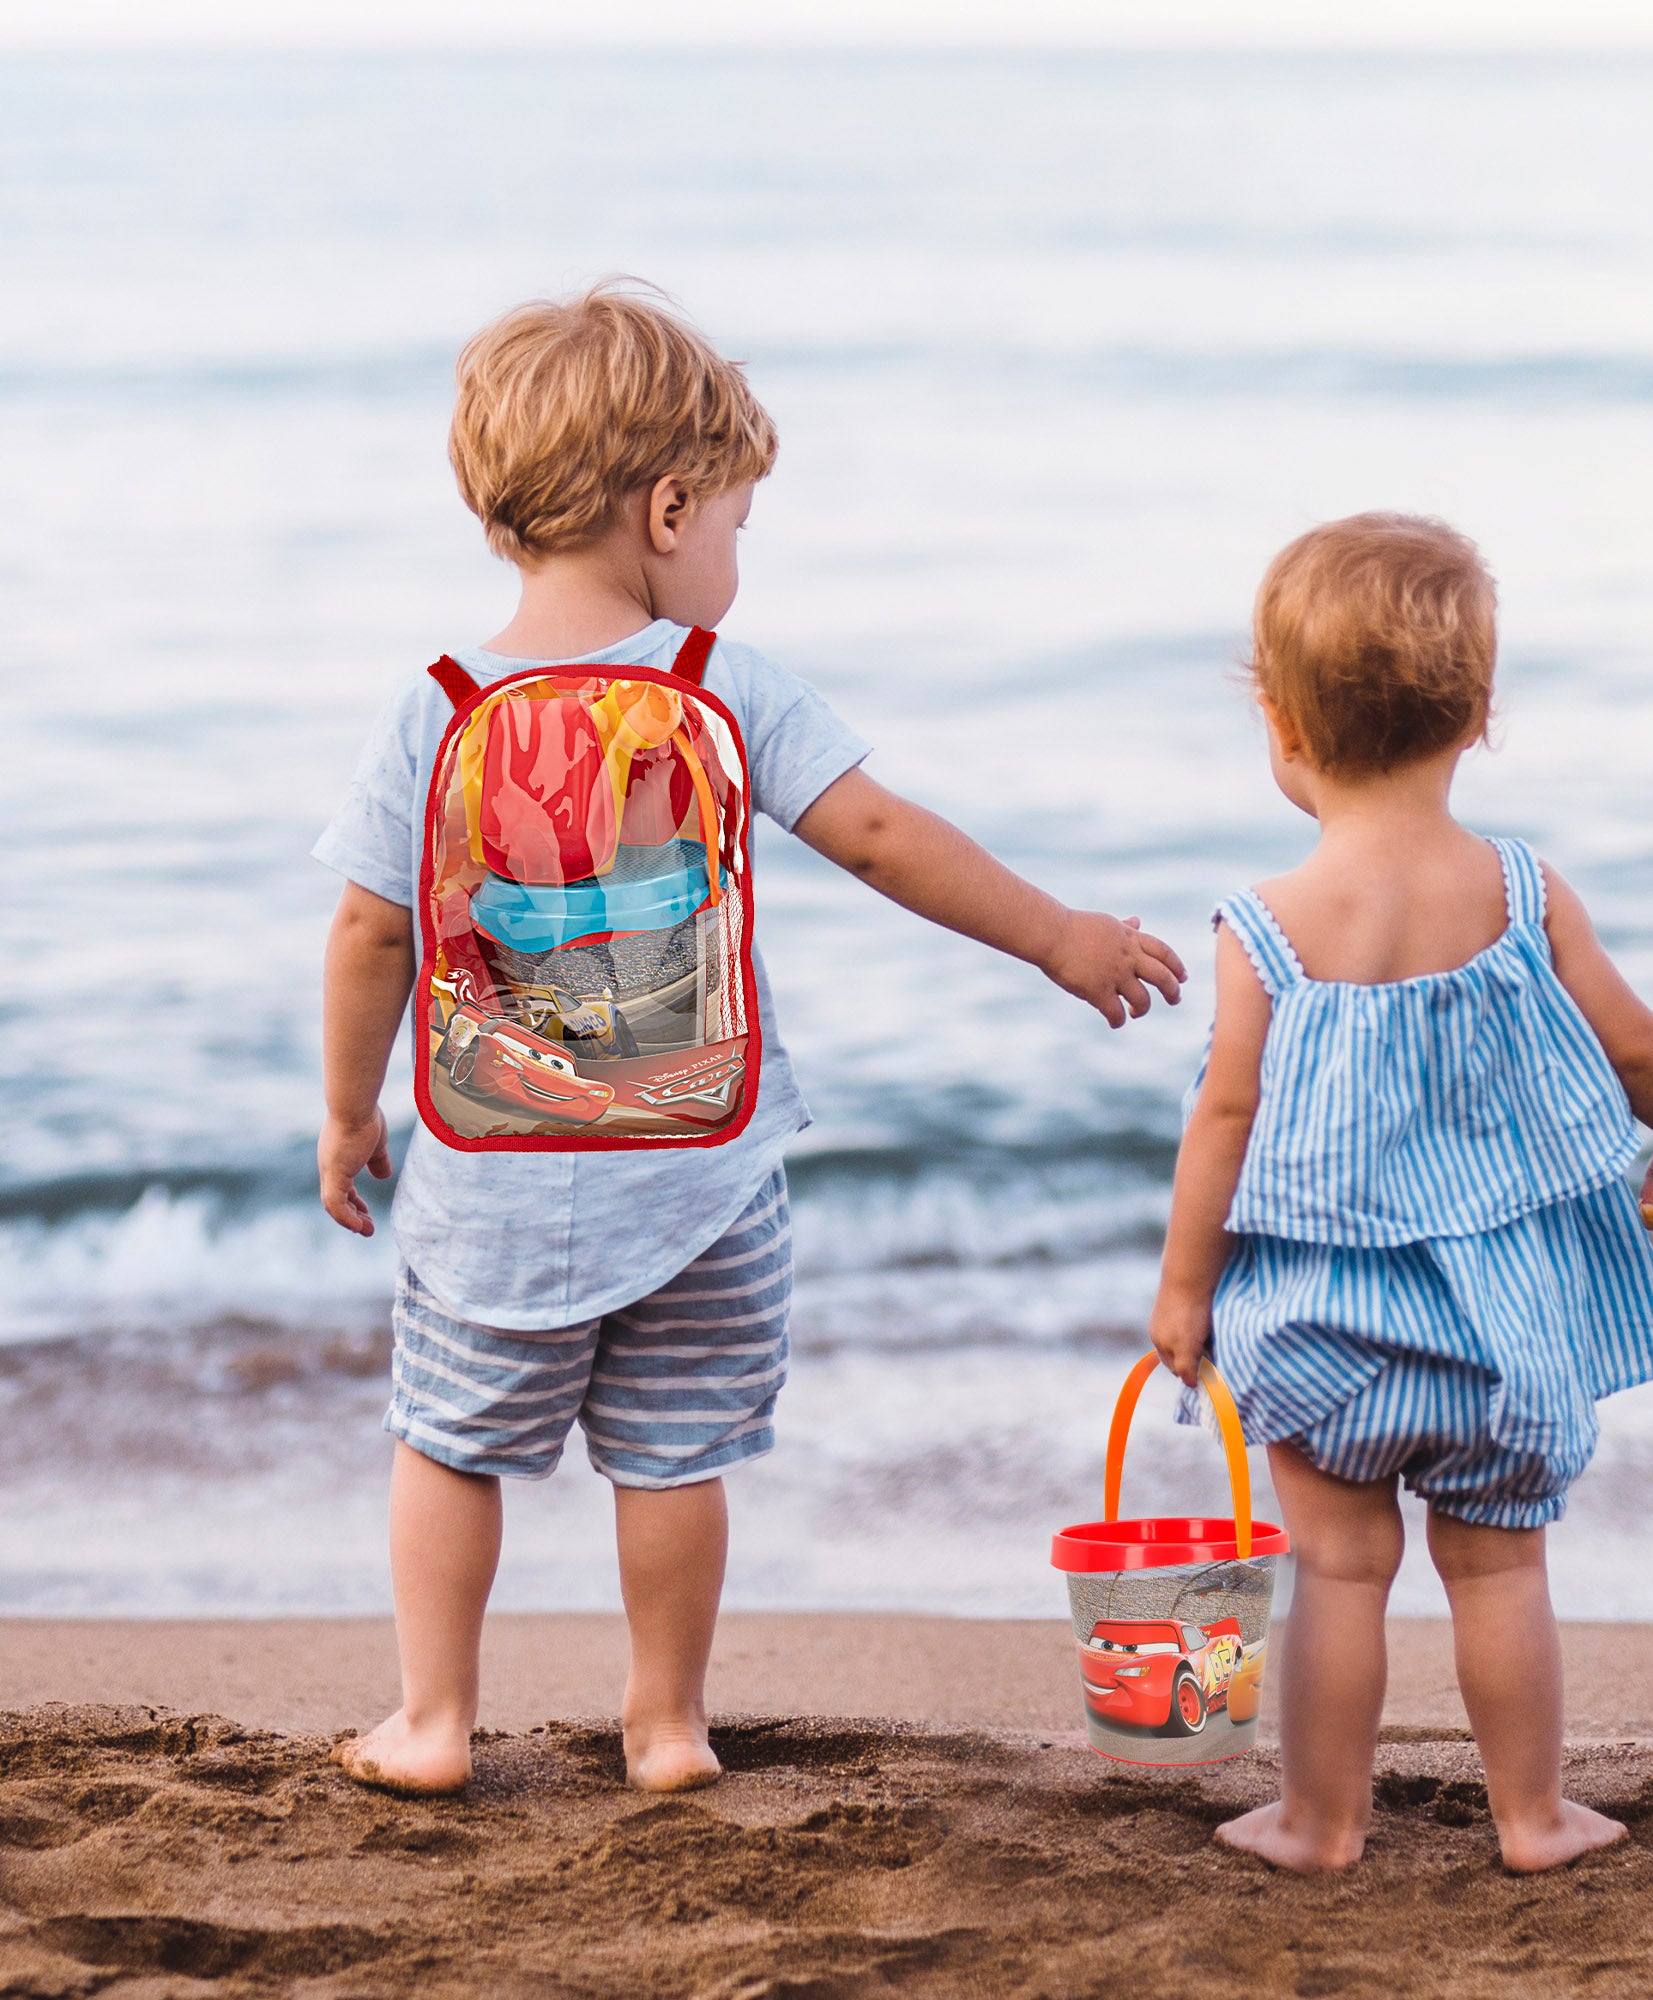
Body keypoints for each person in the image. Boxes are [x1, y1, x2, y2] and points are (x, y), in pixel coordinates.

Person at [315, 280, 1185, 1797]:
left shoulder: (434, 705)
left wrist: (346, 1111)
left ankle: (434, 1720)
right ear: (666, 509)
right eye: (731, 521)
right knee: (671, 1457)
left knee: (450, 1444)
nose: (733, 555)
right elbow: (882, 837)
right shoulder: (722, 687)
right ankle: (664, 1725)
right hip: (701, 1181)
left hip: (493, 1177)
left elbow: (371, 932)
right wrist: (1061, 937)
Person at [1148, 514, 1653, 1874]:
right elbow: (1637, 1047)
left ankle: (1320, 1820)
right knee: (1499, 1571)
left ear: (1281, 726)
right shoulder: (1521, 894)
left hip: (1326, 1330)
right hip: (1506, 1331)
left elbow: (1221, 1124)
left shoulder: (1267, 929)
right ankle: (1533, 1818)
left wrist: (1183, 1291)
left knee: (1342, 1572)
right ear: (1477, 716)